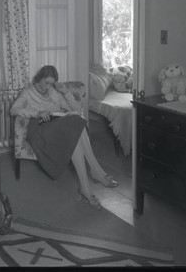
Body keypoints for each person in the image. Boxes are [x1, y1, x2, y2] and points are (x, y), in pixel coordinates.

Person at [10, 65, 118, 210]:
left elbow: (76, 110)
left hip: (57, 123)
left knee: (77, 121)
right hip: (39, 130)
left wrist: (66, 92)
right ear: (39, 78)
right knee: (73, 129)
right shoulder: (28, 92)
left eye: (51, 83)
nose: (48, 87)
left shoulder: (54, 91)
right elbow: (14, 110)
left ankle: (89, 182)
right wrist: (36, 112)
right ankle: (95, 174)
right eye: (46, 83)